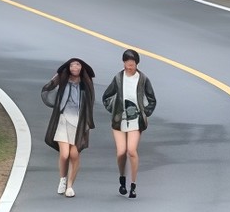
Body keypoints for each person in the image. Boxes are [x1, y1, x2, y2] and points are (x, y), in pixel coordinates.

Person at [104, 50, 157, 197]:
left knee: (131, 151)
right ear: (123, 63)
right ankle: (122, 179)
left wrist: (144, 113)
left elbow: (152, 99)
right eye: (127, 64)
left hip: (135, 119)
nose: (129, 67)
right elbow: (106, 96)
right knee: (121, 152)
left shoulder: (143, 79)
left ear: (136, 64)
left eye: (132, 65)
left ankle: (133, 184)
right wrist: (114, 110)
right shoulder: (118, 78)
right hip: (119, 119)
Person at [41, 58, 96, 197]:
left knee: (74, 154)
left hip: (79, 122)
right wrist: (58, 74)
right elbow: (49, 87)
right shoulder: (63, 79)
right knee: (64, 154)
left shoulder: (86, 83)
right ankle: (62, 179)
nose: (75, 67)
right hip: (63, 119)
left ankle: (70, 185)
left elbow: (90, 102)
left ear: (82, 68)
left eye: (77, 64)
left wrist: (88, 122)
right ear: (69, 67)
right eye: (72, 65)